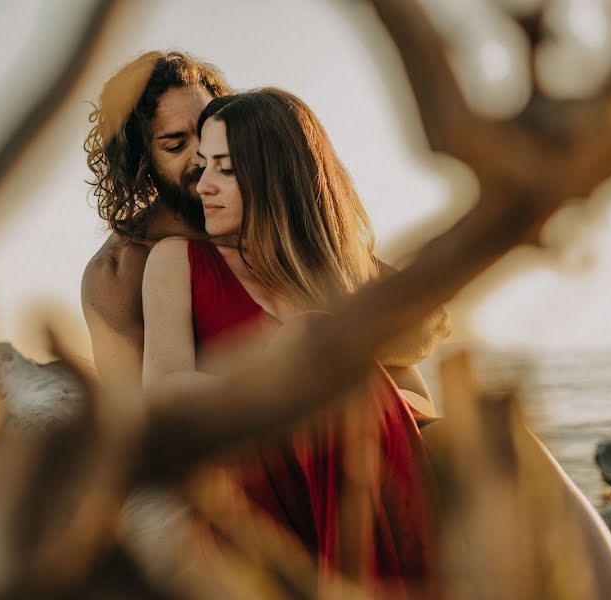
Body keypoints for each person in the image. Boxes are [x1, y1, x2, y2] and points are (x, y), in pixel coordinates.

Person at [141, 88, 436, 593]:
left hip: (355, 473)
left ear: (275, 177)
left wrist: (340, 393)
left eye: (226, 170)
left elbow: (418, 401)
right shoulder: (177, 262)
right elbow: (164, 387)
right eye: (204, 167)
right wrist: (284, 383)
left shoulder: (345, 278)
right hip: (250, 477)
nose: (204, 186)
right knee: (308, 340)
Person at [81, 51, 451, 399]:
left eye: (208, 131)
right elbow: (139, 420)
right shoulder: (120, 271)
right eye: (176, 144)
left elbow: (426, 329)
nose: (201, 155)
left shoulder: (278, 226)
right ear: (141, 162)